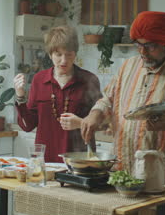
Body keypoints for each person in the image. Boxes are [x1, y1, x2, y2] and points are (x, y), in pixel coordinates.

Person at [81, 11, 165, 187]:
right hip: (122, 171)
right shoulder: (128, 66)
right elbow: (108, 99)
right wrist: (96, 113)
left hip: (162, 178)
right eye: (138, 45)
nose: (143, 52)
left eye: (151, 46)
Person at [14, 25, 102, 163]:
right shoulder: (39, 80)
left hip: (79, 160)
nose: (64, 60)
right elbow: (28, 126)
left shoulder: (89, 80)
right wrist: (20, 96)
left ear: (75, 54)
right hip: (46, 160)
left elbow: (102, 122)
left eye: (69, 54)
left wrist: (80, 123)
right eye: (58, 54)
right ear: (50, 54)